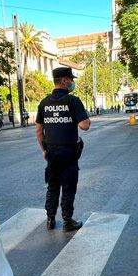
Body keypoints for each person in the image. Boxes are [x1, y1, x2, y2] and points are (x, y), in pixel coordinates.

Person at [36, 67, 91, 232]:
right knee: (68, 186)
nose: (72, 82)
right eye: (71, 79)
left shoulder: (44, 103)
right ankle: (67, 221)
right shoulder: (73, 101)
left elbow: (39, 130)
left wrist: (44, 150)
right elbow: (84, 125)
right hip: (68, 152)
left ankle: (50, 219)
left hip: (51, 152)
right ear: (65, 80)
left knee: (53, 186)